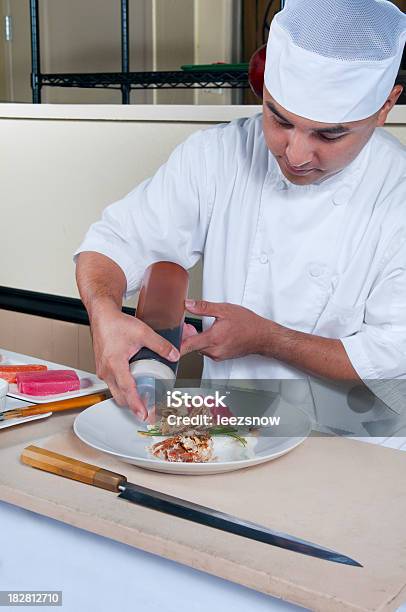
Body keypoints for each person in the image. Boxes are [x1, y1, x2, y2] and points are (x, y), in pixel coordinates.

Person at [75, 0, 406, 421]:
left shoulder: (397, 194)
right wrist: (103, 314)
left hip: (360, 444)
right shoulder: (216, 156)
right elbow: (114, 244)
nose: (297, 154)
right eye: (280, 119)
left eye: (329, 134)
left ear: (385, 108)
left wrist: (269, 339)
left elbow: (393, 350)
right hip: (232, 431)